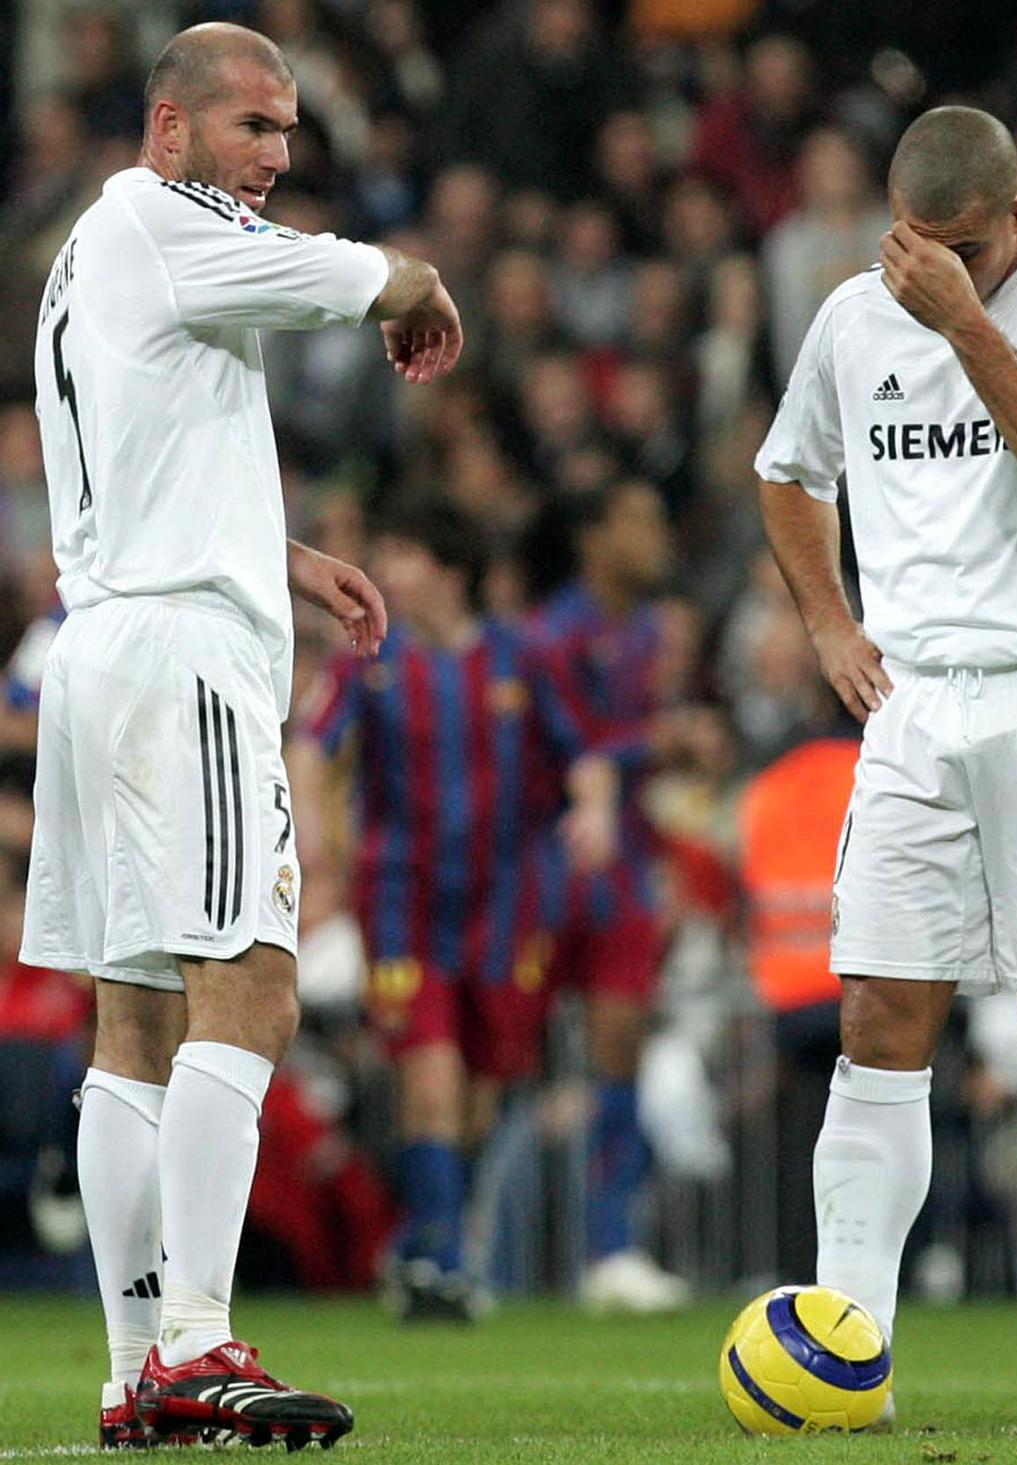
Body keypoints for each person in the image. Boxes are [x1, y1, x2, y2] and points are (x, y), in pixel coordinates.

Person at [20, 21, 462, 1451]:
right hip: (180, 666)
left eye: (286, 132)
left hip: (107, 643)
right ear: (170, 128)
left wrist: (284, 556)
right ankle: (198, 1341)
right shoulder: (168, 221)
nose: (275, 155)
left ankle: (132, 1372)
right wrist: (418, 284)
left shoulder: (93, 253)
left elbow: (149, 464)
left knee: (138, 1019)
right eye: (252, 127)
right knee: (254, 984)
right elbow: (365, 276)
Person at [756, 105, 1017, 1431]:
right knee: (879, 1014)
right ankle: (849, 1352)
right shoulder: (851, 316)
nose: (933, 267)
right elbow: (788, 472)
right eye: (914, 243)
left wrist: (967, 327)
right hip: (918, 701)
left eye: (966, 248)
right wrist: (830, 622)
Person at [289, 498, 621, 1321]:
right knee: (429, 1072)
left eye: (404, 553)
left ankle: (428, 1239)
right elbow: (311, 744)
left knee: (478, 1086)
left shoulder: (523, 656)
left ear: (451, 571)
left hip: (507, 902)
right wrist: (312, 831)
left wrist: (594, 811)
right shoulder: (370, 657)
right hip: (401, 897)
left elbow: (585, 751)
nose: (387, 571)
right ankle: (441, 1261)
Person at [533, 478, 692, 1311]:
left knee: (621, 1040)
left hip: (622, 868)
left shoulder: (645, 632)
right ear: (594, 536)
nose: (657, 536)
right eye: (640, 519)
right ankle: (457, 1242)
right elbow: (567, 748)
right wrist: (655, 742)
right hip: (543, 863)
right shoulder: (555, 635)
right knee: (497, 1061)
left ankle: (610, 1246)